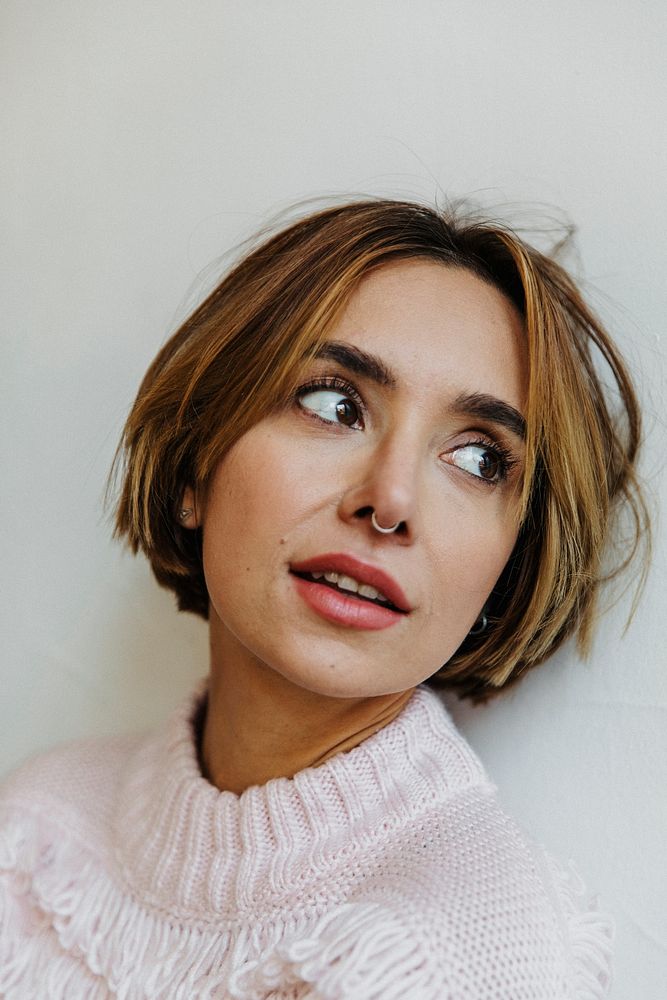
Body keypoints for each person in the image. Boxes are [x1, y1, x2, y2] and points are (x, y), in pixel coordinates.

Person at [0, 199, 649, 998]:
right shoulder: (35, 834)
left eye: (480, 459)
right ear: (199, 464)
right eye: (334, 405)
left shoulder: (480, 954)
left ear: (510, 569)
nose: (390, 499)